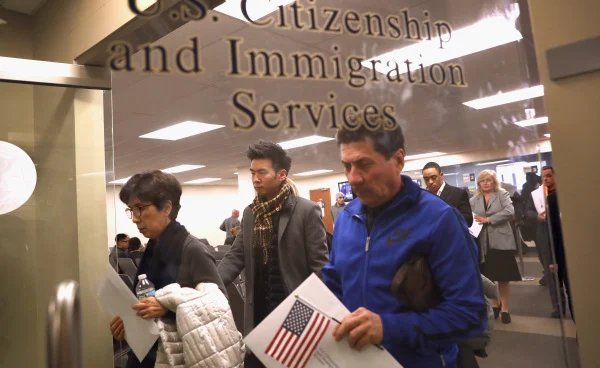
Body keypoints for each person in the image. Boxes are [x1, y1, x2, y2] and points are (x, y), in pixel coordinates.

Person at [321, 122, 486, 368]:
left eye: (364, 164)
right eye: (347, 166)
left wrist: (388, 328)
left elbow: (469, 314)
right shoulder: (347, 218)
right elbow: (333, 285)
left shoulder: (439, 219)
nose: (353, 178)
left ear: (398, 160)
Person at [108, 170, 243, 367]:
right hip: (146, 352)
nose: (135, 218)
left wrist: (167, 305)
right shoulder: (153, 246)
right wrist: (127, 321)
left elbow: (218, 306)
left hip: (177, 357)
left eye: (140, 208)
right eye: (131, 210)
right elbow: (144, 299)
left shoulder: (192, 249)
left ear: (166, 208)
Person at [217, 140, 329, 368]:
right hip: (258, 316)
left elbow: (320, 269)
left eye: (262, 172)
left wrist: (309, 316)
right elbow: (236, 256)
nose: (255, 179)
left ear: (281, 174)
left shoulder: (306, 211)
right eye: (252, 173)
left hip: (295, 315)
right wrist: (208, 284)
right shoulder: (251, 213)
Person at [470, 170, 521, 324]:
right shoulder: (474, 199)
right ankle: (495, 304)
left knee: (503, 277)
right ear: (478, 184)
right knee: (489, 277)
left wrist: (488, 219)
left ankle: (505, 308)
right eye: (482, 181)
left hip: (501, 241)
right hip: (483, 243)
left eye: (488, 180)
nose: (485, 183)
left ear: (493, 181)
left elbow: (509, 211)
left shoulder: (502, 194)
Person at [527, 166, 566, 318]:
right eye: (543, 177)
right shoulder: (536, 195)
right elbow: (528, 211)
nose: (546, 179)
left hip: (562, 236)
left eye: (549, 175)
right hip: (545, 238)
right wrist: (536, 216)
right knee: (551, 277)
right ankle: (558, 308)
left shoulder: (563, 192)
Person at [547, 188, 574, 321]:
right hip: (564, 252)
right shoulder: (553, 199)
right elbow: (554, 234)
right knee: (572, 290)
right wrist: (554, 259)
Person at [422, 162, 473, 226]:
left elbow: (468, 221)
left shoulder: (458, 194)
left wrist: (447, 217)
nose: (430, 182)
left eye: (434, 177)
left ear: (441, 175)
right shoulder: (421, 197)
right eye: (426, 179)